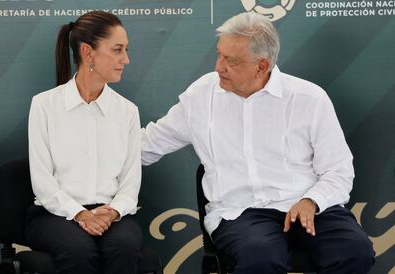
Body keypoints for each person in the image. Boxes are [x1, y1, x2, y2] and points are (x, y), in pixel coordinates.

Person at [141, 12, 375, 273]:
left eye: (230, 61)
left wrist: (312, 200)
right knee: (260, 257)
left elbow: (338, 169)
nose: (219, 67)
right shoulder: (201, 96)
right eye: (219, 55)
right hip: (240, 212)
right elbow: (149, 144)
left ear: (261, 66)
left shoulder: (309, 99)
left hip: (308, 206)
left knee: (355, 251)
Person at [27, 11, 142, 274]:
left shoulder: (128, 111)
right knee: (78, 250)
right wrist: (80, 214)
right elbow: (43, 182)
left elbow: (130, 180)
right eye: (117, 50)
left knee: (124, 246)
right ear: (88, 53)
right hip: (55, 215)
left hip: (112, 214)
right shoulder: (44, 105)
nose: (126, 59)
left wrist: (112, 212)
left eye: (125, 50)